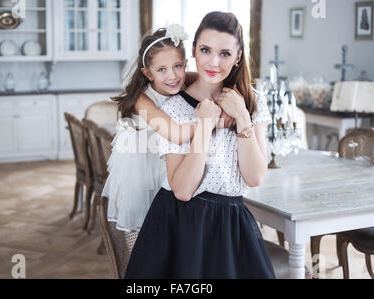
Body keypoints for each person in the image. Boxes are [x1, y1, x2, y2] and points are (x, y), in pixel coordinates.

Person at [125, 11, 275, 279]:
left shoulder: (253, 103)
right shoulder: (172, 108)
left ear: (238, 57)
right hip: (181, 224)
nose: (214, 61)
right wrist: (205, 126)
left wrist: (242, 117)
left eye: (225, 53)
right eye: (205, 50)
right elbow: (182, 190)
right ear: (193, 50)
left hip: (232, 224)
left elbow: (254, 177)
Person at [103, 25, 234, 234]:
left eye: (177, 66)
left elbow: (213, 77)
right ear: (148, 73)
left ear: (185, 64)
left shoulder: (182, 78)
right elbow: (175, 133)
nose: (172, 76)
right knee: (149, 227)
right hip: (144, 168)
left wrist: (238, 95)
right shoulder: (141, 99)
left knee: (173, 222)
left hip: (171, 162)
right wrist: (214, 121)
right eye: (162, 70)